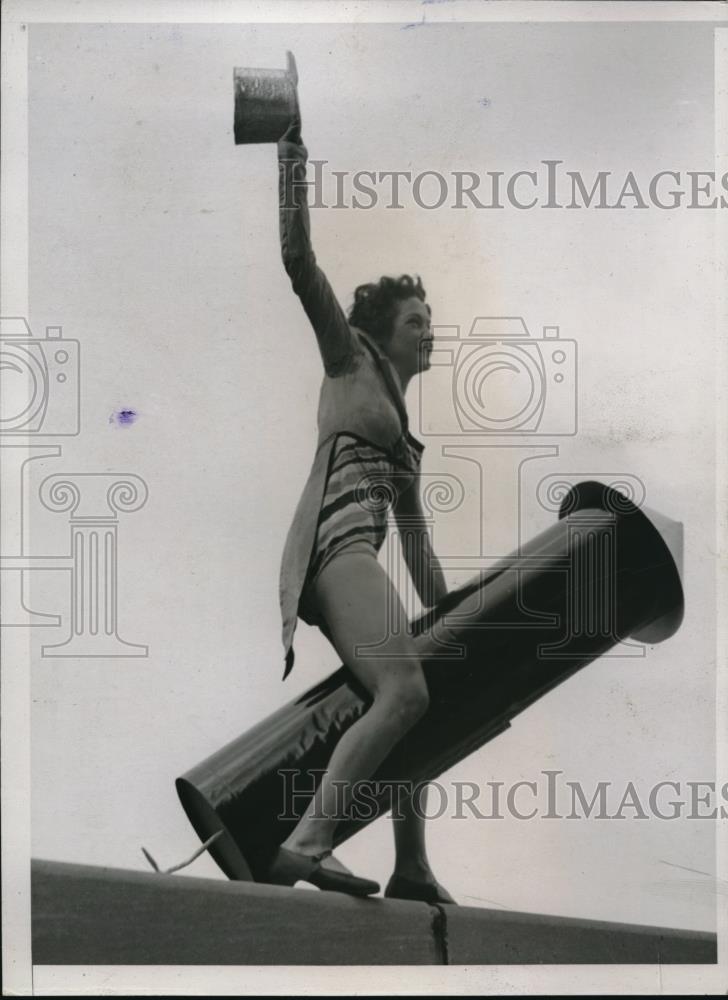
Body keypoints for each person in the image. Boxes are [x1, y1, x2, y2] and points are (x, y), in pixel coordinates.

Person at [264, 107, 455, 905]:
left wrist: (461, 621)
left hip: (362, 562)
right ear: (385, 330)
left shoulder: (406, 442)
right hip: (331, 554)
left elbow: (418, 554)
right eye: (417, 319)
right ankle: (308, 840)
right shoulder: (350, 362)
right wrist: (291, 156)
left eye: (433, 321)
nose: (430, 330)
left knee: (425, 698)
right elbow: (299, 263)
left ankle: (412, 865)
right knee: (405, 691)